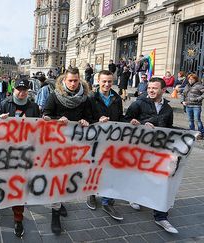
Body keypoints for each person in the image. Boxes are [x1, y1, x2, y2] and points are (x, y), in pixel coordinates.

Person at [124, 77, 178, 234]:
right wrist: (139, 124)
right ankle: (134, 196)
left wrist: (187, 134)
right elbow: (126, 120)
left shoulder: (167, 108)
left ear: (163, 90)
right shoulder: (138, 103)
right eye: (149, 88)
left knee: (161, 180)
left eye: (155, 88)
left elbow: (169, 127)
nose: (151, 90)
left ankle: (161, 217)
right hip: (141, 148)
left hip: (160, 149)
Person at [43, 67, 92, 234]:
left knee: (68, 178)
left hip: (75, 146)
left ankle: (61, 202)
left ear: (80, 81)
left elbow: (90, 116)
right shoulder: (54, 96)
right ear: (64, 80)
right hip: (56, 146)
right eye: (70, 80)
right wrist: (57, 120)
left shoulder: (85, 99)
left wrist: (86, 120)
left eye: (75, 80)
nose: (72, 83)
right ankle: (55, 214)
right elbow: (46, 116)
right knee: (57, 178)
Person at [0, 79, 41, 237]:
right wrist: (0, 120)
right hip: (7, 150)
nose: (22, 92)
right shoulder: (4, 103)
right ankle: (2, 196)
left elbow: (39, 127)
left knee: (19, 183)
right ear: (14, 89)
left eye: (25, 90)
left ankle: (18, 218)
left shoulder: (33, 107)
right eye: (19, 89)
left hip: (25, 151)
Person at [87, 70, 124, 221]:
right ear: (98, 81)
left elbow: (120, 117)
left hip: (112, 140)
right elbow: (86, 118)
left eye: (110, 81)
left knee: (110, 170)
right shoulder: (91, 98)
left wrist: (130, 123)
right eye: (104, 81)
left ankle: (107, 201)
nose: (107, 84)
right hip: (95, 140)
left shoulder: (116, 98)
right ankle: (91, 194)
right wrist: (97, 119)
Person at [182, 73, 204, 138]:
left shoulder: (199, 85)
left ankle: (201, 133)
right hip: (188, 105)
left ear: (195, 79)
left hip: (196, 106)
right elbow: (183, 94)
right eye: (189, 79)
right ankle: (192, 132)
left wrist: (197, 99)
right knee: (190, 120)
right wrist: (182, 101)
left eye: (192, 79)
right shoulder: (187, 86)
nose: (190, 80)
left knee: (197, 120)